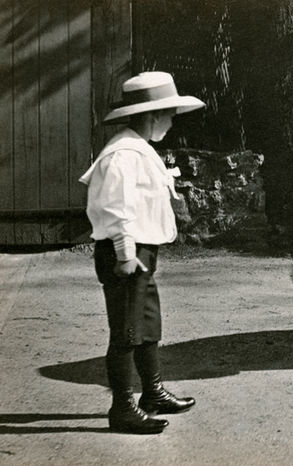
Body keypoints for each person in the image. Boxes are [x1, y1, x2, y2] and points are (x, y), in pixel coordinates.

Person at [79, 71, 205, 434]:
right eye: (169, 115)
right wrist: (123, 253)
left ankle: (153, 392)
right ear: (152, 115)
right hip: (126, 255)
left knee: (147, 326)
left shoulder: (139, 149)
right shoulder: (121, 155)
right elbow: (114, 207)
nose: (172, 122)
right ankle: (122, 408)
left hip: (142, 253)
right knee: (126, 332)